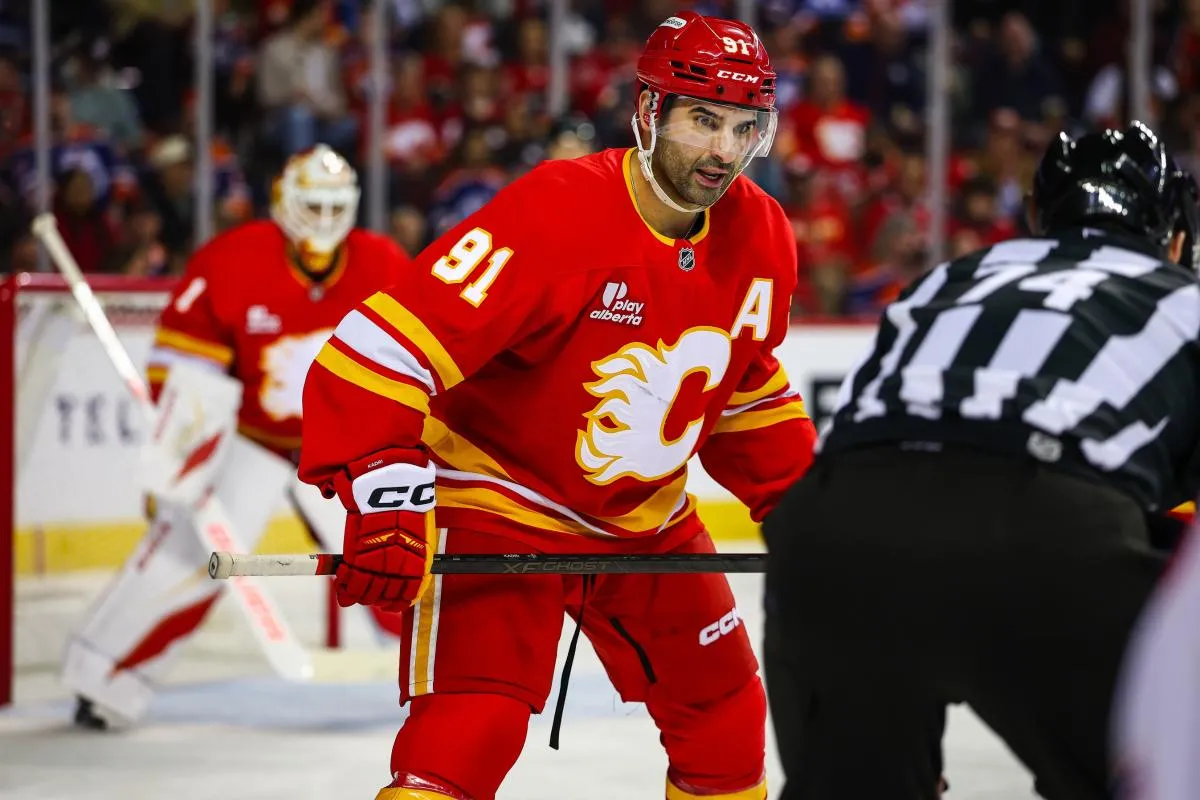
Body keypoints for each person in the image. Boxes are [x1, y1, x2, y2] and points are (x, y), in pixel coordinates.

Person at [297, 12, 816, 800]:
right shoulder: (556, 211)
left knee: (725, 715)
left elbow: (742, 387)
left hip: (646, 519)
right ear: (650, 111)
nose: (724, 150)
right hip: (500, 502)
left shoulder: (764, 234)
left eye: (745, 127)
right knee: (468, 737)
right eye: (704, 120)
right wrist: (386, 488)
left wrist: (810, 511)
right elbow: (380, 351)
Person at [761, 120, 1200, 800]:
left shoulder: (949, 279)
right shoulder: (1183, 300)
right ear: (1173, 236)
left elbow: (862, 428)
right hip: (1049, 528)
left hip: (834, 528)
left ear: (1038, 213)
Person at [64, 144, 412, 729]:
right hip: (253, 441)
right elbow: (185, 370)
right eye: (313, 204)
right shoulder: (232, 260)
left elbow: (411, 361)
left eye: (335, 205)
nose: (324, 219)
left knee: (398, 552)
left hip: (347, 448)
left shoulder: (384, 263)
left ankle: (444, 681)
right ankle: (102, 679)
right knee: (186, 551)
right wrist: (185, 450)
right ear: (282, 202)